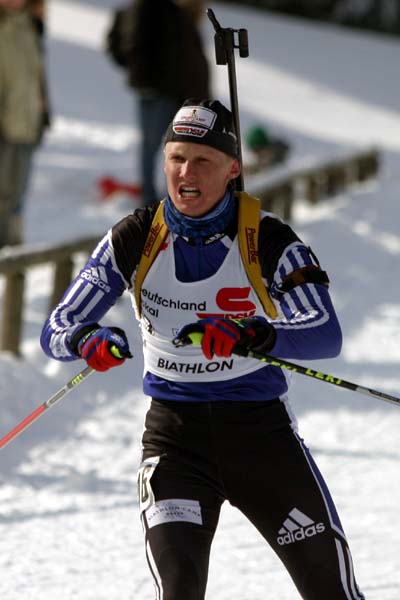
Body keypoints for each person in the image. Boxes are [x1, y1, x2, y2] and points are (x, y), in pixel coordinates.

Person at [40, 98, 365, 599]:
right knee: (180, 589)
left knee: (331, 590)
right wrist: (87, 340)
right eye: (176, 158)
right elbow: (58, 326)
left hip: (261, 438)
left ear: (233, 169)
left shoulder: (269, 240)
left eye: (202, 161)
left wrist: (255, 333)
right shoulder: (135, 236)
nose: (185, 173)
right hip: (176, 442)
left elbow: (325, 332)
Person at [107, 0, 210, 206]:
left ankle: (160, 194)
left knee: (157, 145)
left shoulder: (138, 10)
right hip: (165, 90)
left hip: (155, 89)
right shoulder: (165, 11)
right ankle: (159, 196)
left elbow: (118, 47)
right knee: (170, 145)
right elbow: (182, 60)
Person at [0, 0, 50, 248]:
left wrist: (43, 112)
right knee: (3, 194)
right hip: (4, 127)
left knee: (18, 195)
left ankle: (14, 250)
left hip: (28, 124)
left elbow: (37, 75)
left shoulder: (32, 25)